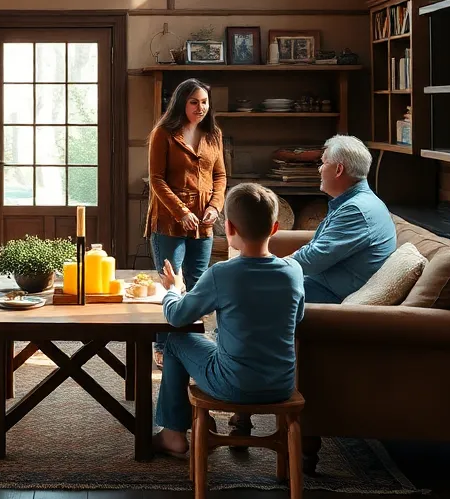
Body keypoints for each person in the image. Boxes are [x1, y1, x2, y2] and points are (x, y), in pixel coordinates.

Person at [153, 183, 305, 457]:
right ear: (275, 228)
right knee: (231, 340)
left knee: (176, 341)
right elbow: (297, 319)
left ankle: (173, 434)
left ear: (230, 228)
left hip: (234, 385)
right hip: (281, 384)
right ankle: (238, 421)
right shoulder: (293, 271)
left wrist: (173, 289)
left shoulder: (222, 273)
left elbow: (177, 316)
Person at [145, 78, 226, 365]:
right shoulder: (163, 133)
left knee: (197, 283)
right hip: (169, 220)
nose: (200, 107)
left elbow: (220, 176)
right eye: (194, 102)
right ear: (181, 102)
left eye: (204, 102)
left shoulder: (213, 133)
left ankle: (190, 342)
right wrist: (181, 211)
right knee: (172, 283)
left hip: (204, 221)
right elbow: (156, 179)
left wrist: (216, 207)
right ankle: (163, 346)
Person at [273, 134, 396, 304]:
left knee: (254, 286)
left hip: (329, 293)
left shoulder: (356, 210)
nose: (320, 169)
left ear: (339, 170)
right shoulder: (357, 201)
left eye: (324, 163)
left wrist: (270, 268)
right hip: (323, 284)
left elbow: (313, 259)